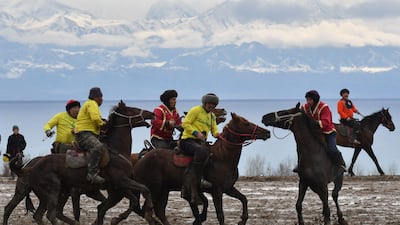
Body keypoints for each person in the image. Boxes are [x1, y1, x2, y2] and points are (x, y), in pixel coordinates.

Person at [180, 93, 220, 205]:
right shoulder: (196, 110)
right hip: (188, 140)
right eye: (209, 104)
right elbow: (185, 123)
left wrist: (219, 135)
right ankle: (198, 178)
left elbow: (214, 130)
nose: (211, 106)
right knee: (201, 151)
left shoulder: (212, 116)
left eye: (213, 105)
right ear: (205, 103)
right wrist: (195, 133)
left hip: (201, 142)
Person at [300, 90, 346, 172]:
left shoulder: (324, 107)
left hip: (328, 132)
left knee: (332, 149)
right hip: (313, 133)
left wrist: (315, 123)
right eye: (307, 100)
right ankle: (300, 165)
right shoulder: (304, 107)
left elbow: (326, 122)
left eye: (310, 100)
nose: (308, 102)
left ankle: (341, 164)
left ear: (315, 99)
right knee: (302, 148)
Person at [74, 87, 106, 184]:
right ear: (97, 97)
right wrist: (104, 124)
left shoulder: (89, 104)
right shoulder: (92, 104)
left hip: (89, 132)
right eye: (101, 97)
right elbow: (96, 119)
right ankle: (92, 173)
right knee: (98, 146)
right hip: (84, 134)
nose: (102, 100)